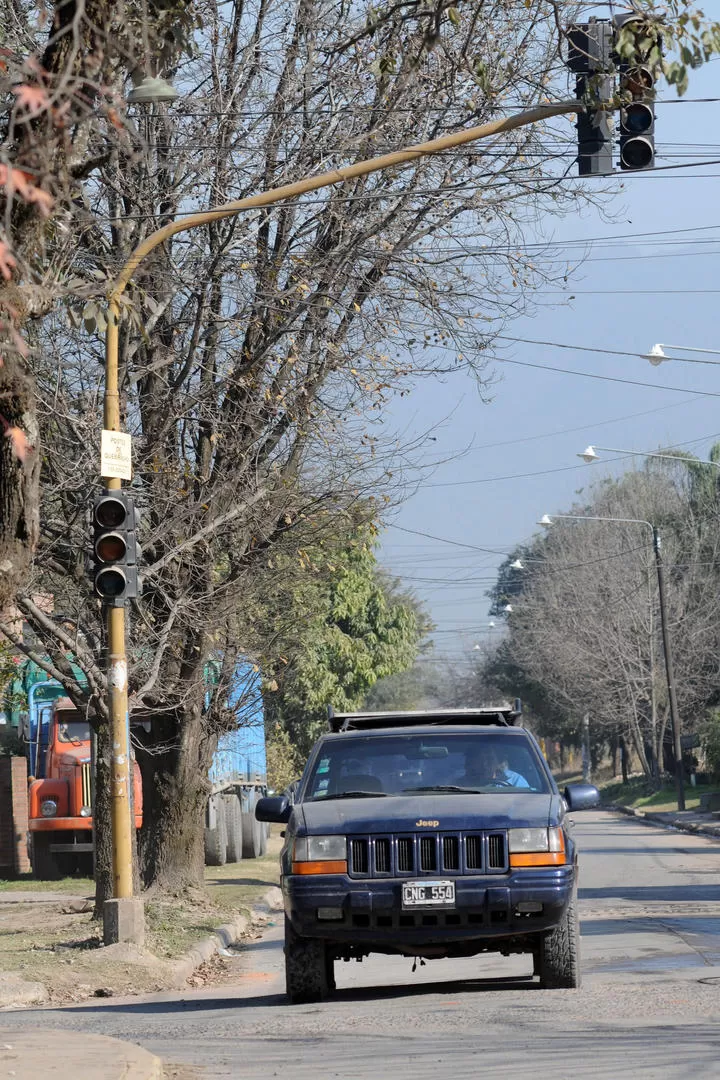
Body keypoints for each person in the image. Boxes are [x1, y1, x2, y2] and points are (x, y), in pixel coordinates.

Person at [459, 744, 530, 789]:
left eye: (489, 759)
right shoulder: (459, 785)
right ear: (472, 763)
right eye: (480, 760)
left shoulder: (515, 781)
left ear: (498, 763)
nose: (485, 764)